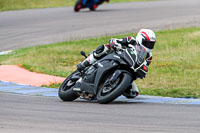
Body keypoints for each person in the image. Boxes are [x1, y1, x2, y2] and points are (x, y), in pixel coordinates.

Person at [76, 29, 156, 98]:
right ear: (140, 38)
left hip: (128, 69)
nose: (149, 46)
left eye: (151, 44)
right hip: (116, 57)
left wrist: (142, 71)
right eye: (147, 43)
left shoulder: (149, 56)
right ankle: (85, 63)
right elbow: (115, 41)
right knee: (105, 47)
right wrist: (115, 43)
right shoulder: (131, 40)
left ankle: (110, 88)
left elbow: (144, 66)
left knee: (133, 93)